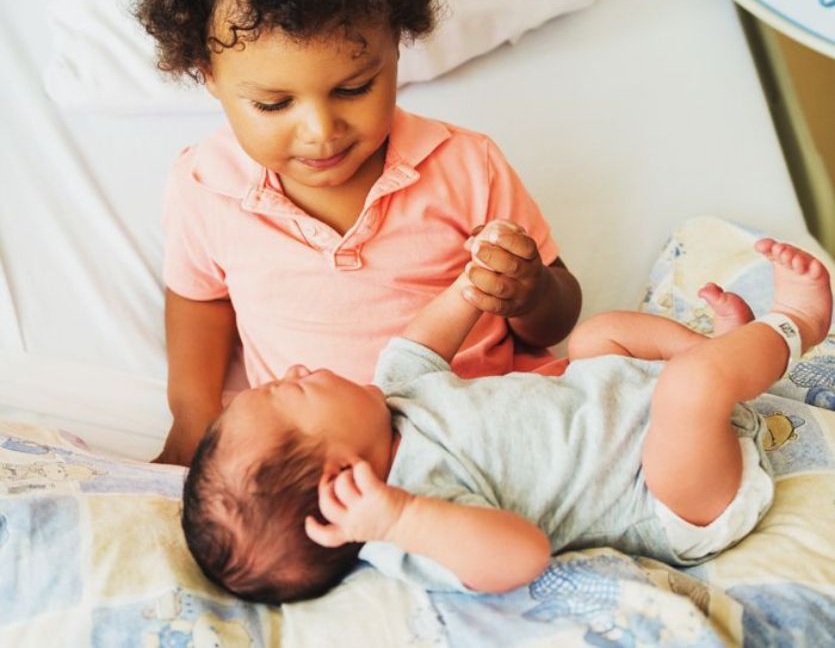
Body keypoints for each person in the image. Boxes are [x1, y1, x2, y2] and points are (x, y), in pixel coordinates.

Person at [180, 232, 833, 604]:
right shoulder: (415, 517)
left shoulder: (393, 398)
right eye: (285, 395)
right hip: (666, 493)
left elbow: (419, 342)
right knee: (689, 391)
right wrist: (400, 517)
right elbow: (521, 555)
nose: (289, 373)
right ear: (340, 480)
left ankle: (728, 359)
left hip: (626, 402)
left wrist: (470, 287)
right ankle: (794, 324)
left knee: (597, 336)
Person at [134, 0, 582, 466]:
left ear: (396, 43)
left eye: (354, 88)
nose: (321, 132)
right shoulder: (206, 185)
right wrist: (192, 416)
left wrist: (530, 292)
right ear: (205, 71)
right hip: (319, 460)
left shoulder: (466, 167)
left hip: (491, 438)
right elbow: (200, 297)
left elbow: (557, 319)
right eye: (274, 104)